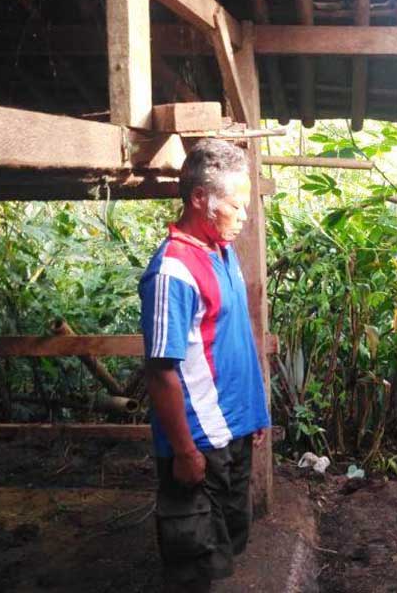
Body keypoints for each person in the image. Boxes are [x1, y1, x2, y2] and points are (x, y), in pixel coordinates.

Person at [139, 139, 271, 593]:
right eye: (236, 206)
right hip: (199, 441)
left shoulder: (222, 250)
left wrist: (253, 413)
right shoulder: (172, 272)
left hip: (232, 431)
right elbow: (160, 372)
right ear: (200, 200)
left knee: (226, 542)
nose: (244, 216)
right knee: (191, 559)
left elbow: (230, 339)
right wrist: (185, 451)